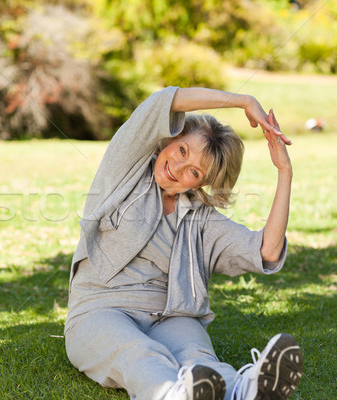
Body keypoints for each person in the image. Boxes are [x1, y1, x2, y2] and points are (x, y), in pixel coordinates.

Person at [64, 86, 302, 400]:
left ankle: (245, 392)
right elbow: (164, 101)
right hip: (100, 310)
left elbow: (266, 251)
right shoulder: (126, 169)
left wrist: (285, 172)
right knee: (140, 353)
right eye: (182, 151)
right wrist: (243, 101)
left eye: (193, 171)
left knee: (199, 359)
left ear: (202, 183)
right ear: (172, 138)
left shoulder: (202, 219)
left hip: (172, 316)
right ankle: (173, 395)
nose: (177, 168)